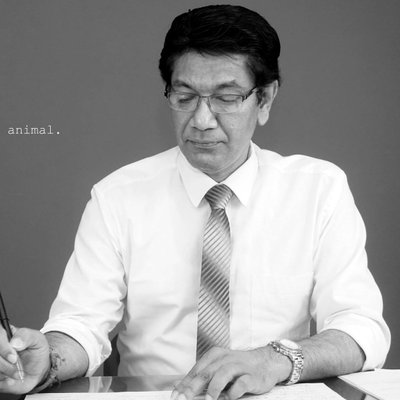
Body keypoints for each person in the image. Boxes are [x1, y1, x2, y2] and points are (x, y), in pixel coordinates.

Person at [0, 4, 390, 398]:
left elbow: (361, 328)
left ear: (265, 99)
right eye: (184, 96)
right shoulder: (118, 196)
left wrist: (274, 360)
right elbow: (82, 323)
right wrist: (48, 360)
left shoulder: (318, 189)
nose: (202, 120)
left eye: (226, 97)